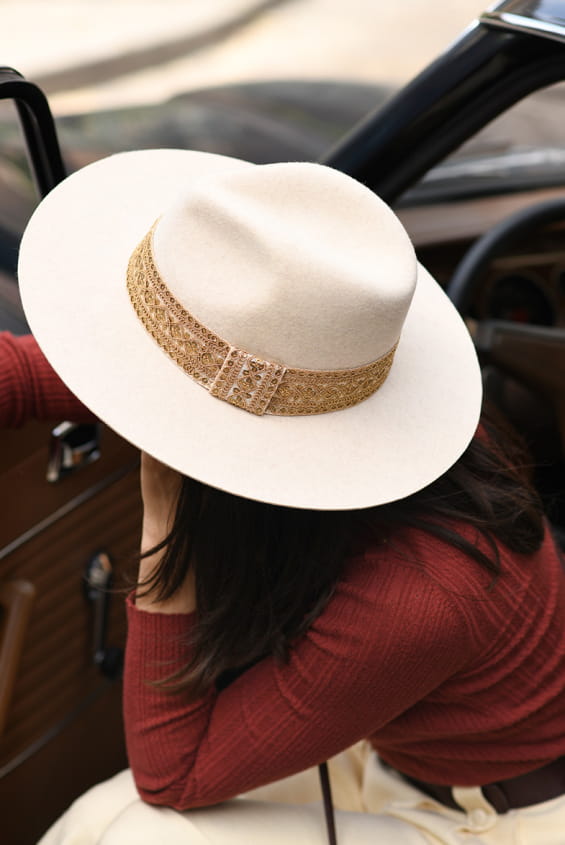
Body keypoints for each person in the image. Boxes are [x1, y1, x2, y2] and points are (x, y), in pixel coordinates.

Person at [4, 149, 565, 844]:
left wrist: (162, 514)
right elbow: (39, 373)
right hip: (381, 740)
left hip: (496, 818)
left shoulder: (425, 588)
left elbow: (170, 773)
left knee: (147, 831)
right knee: (91, 820)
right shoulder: (352, 395)